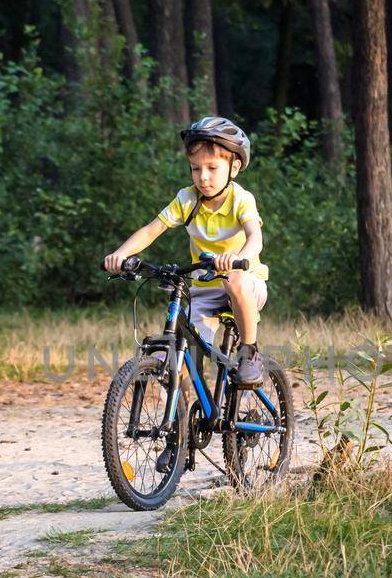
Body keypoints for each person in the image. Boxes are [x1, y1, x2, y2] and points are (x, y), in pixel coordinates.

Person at [103, 116, 269, 388]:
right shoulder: (187, 199)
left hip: (246, 287)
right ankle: (182, 420)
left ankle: (249, 354)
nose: (203, 177)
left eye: (212, 168)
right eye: (195, 168)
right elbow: (151, 230)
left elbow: (255, 238)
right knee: (179, 349)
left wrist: (239, 260)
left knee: (235, 279)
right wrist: (120, 255)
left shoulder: (241, 199)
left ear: (234, 167)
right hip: (205, 290)